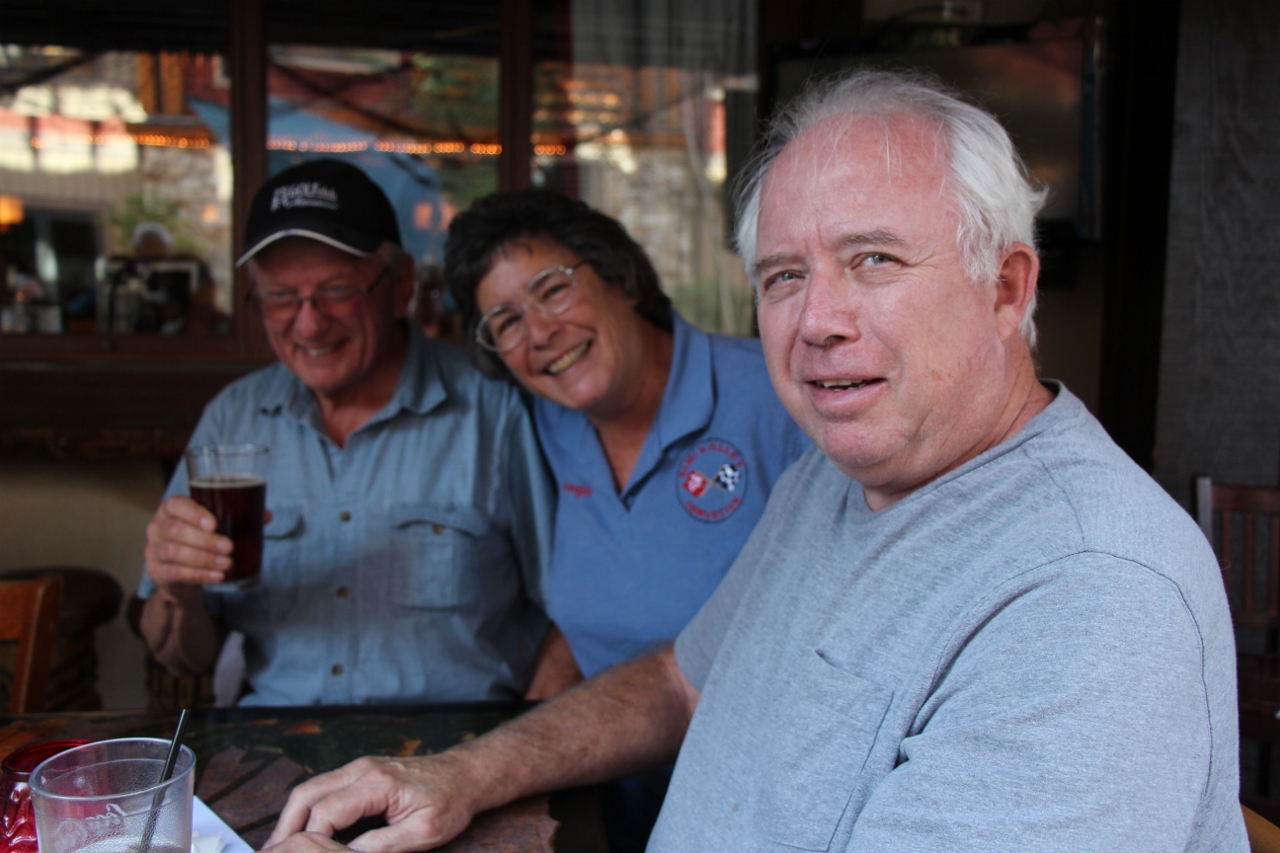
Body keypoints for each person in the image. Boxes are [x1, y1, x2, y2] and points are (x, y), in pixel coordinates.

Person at [261, 71, 1246, 852]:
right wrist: (460, 774)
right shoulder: (833, 474)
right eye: (783, 276)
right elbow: (682, 680)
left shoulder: (1089, 592)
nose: (816, 321)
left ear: (1004, 286)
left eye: (874, 260)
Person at [443, 191, 809, 849]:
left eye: (552, 290)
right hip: (603, 797)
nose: (538, 332)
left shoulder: (774, 398)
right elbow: (584, 615)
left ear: (620, 278)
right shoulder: (544, 426)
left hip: (761, 804)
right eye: (504, 321)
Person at [137, 159, 554, 707]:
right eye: (280, 297)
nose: (307, 324)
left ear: (401, 284)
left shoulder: (495, 410)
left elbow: (574, 619)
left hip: (454, 758)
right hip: (279, 755)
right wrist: (178, 588)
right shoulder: (232, 419)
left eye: (336, 291)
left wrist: (523, 751)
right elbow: (187, 656)